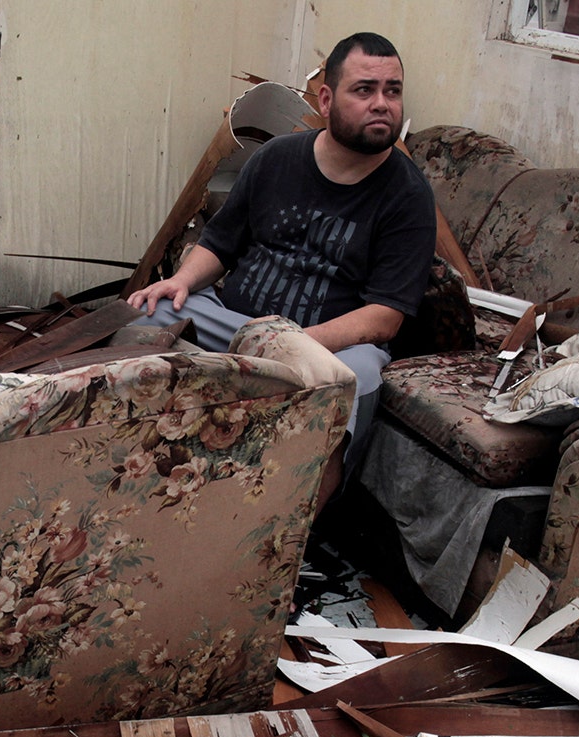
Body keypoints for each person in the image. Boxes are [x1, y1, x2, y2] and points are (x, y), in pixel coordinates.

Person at [126, 32, 436, 464]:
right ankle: (132, 463)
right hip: (234, 323)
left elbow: (385, 317)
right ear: (325, 100)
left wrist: (289, 344)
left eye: (393, 91)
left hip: (328, 345)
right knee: (151, 312)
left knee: (359, 379)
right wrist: (179, 281)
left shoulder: (409, 195)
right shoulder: (276, 157)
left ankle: (303, 525)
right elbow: (219, 243)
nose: (382, 103)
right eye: (365, 90)